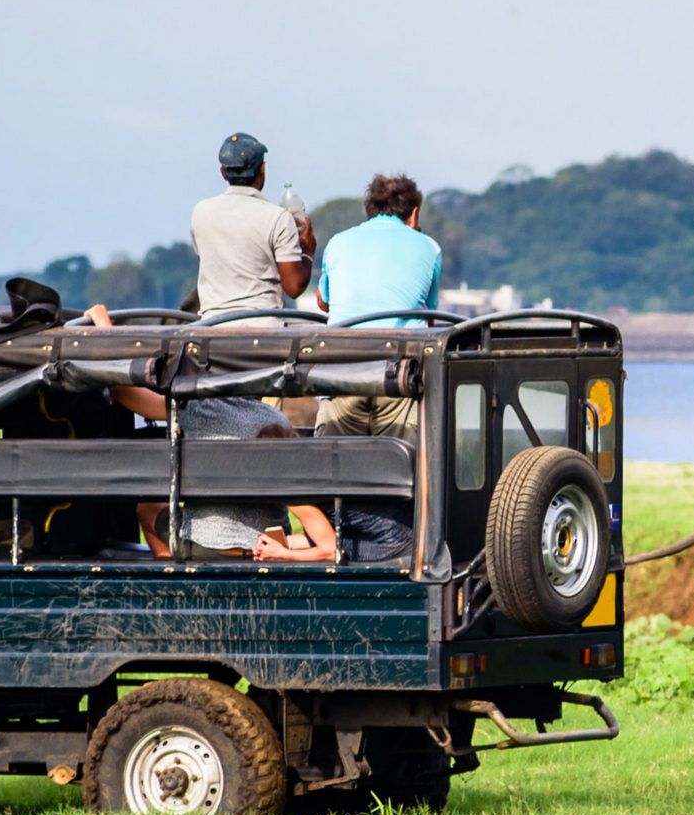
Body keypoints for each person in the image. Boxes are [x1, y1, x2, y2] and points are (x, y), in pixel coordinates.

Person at [82, 305, 335, 562]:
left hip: (207, 548)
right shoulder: (276, 420)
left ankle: (172, 573)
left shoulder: (198, 408)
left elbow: (123, 391)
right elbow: (323, 538)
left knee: (148, 510)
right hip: (267, 547)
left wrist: (105, 327)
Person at [312, 172, 442, 440]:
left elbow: (324, 302)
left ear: (368, 210)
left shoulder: (338, 242)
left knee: (333, 471)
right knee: (402, 471)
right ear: (414, 214)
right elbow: (428, 314)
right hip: (399, 374)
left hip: (341, 370)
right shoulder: (429, 247)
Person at [190, 132, 317, 327]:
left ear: (223, 172)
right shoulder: (278, 217)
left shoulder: (200, 212)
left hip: (212, 326)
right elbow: (294, 287)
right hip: (263, 327)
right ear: (263, 169)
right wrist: (307, 251)